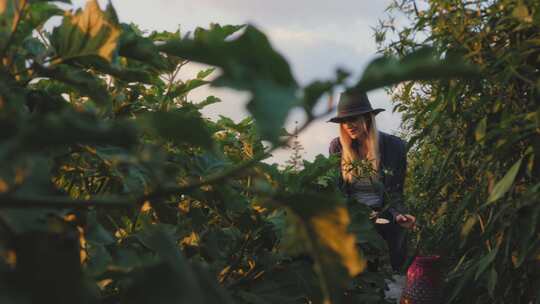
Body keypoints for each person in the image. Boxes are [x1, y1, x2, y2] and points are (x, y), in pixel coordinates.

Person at [328, 90, 416, 273]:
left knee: (396, 252)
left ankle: (400, 278)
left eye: (354, 118)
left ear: (367, 118)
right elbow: (337, 190)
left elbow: (395, 191)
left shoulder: (394, 147)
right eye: (344, 121)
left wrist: (399, 213)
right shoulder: (337, 148)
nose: (349, 125)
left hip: (383, 213)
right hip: (354, 216)